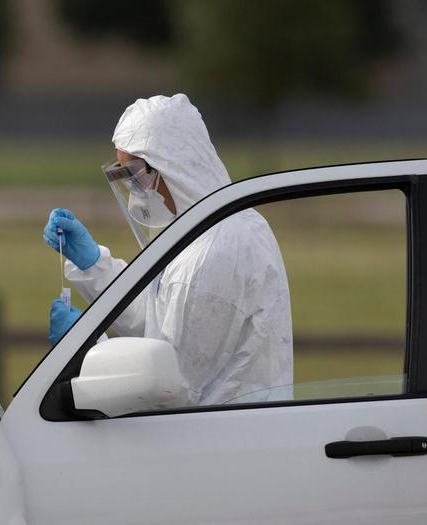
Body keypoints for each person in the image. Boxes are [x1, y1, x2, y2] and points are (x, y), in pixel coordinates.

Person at [43, 93, 292, 406]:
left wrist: (87, 350)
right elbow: (160, 319)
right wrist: (95, 266)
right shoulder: (216, 227)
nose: (134, 190)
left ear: (172, 168)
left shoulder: (214, 253)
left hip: (218, 443)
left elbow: (168, 388)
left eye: (134, 176)